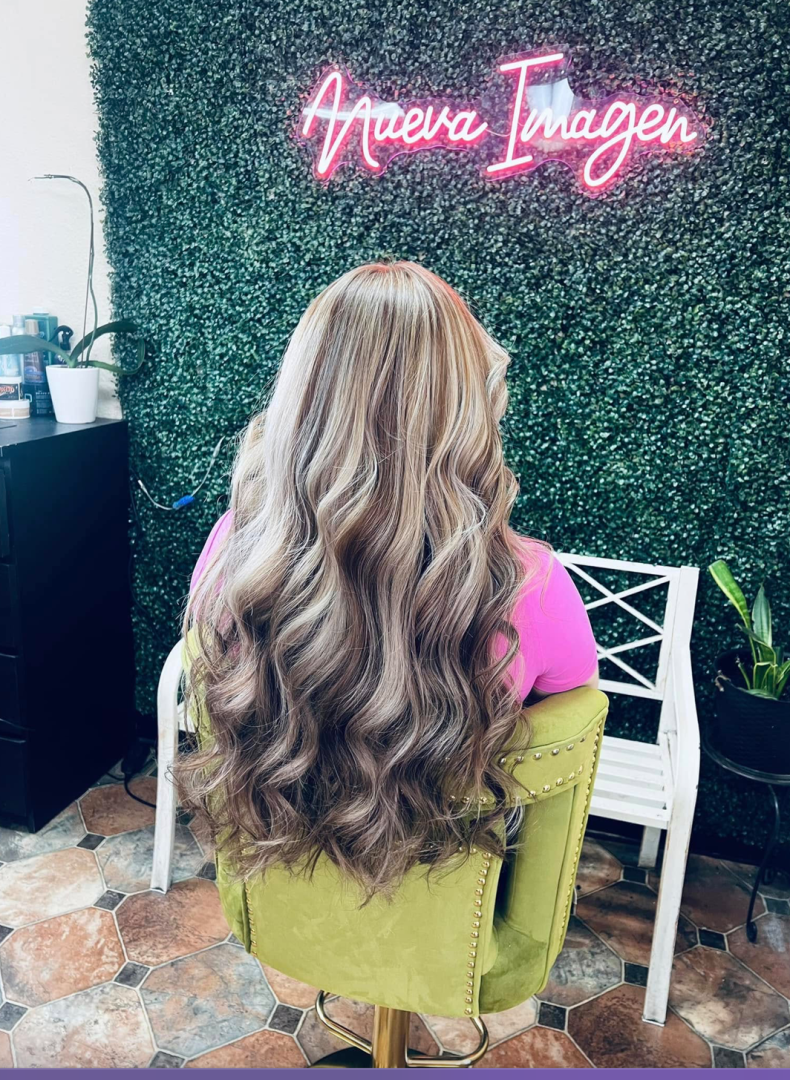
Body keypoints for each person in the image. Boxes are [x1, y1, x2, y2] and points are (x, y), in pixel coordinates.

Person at [178, 261, 597, 898]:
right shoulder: (531, 584)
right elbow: (574, 714)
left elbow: (211, 668)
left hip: (280, 881)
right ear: (466, 405)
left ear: (303, 398)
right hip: (440, 894)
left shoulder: (235, 549)